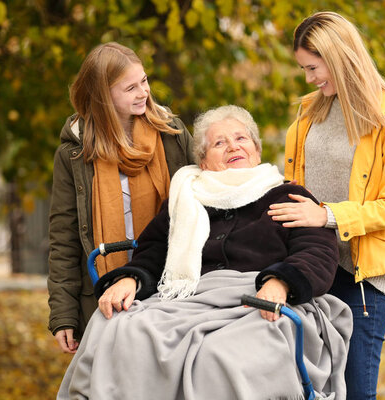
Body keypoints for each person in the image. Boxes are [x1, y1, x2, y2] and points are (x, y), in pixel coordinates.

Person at [57, 105, 352, 400]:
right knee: (116, 327)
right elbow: (154, 250)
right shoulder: (187, 197)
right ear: (203, 161)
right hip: (189, 300)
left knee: (218, 356)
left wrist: (281, 282)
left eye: (241, 139)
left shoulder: (287, 196)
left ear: (257, 150)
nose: (233, 146)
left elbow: (317, 251)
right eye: (219, 143)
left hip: (262, 301)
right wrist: (131, 279)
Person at [268, 12, 385, 400]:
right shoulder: (309, 111)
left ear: (337, 57)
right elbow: (296, 185)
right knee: (306, 388)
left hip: (361, 276)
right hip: (309, 265)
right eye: (304, 68)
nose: (309, 78)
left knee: (356, 391)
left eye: (313, 67)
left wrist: (326, 214)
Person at [47, 42, 195, 354]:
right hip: (104, 293)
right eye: (130, 88)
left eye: (144, 81)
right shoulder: (73, 154)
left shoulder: (172, 134)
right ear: (103, 95)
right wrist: (63, 314)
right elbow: (64, 238)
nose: (143, 92)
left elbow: (201, 202)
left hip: (169, 286)